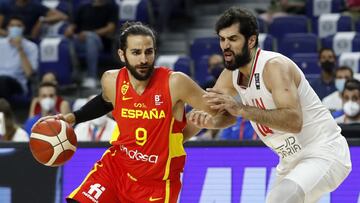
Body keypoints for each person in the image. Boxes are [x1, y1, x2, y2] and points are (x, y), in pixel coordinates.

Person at [36, 21, 231, 203]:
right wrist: (72, 117)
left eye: (149, 52)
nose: (144, 59)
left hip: (157, 184)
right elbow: (105, 101)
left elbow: (226, 116)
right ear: (122, 55)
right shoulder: (111, 80)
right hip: (117, 168)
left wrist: (210, 123)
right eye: (136, 52)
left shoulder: (175, 83)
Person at [188, 7, 351, 203]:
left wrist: (241, 109)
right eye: (222, 39)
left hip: (323, 151)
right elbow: (225, 115)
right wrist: (211, 122)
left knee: (280, 199)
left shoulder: (274, 66)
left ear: (251, 40)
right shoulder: (230, 74)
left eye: (232, 39)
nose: (225, 46)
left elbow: (294, 121)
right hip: (290, 161)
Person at [64, 0, 118, 88]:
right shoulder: (83, 7)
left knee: (91, 39)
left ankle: (91, 77)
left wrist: (90, 34)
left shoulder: (111, 7)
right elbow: (74, 25)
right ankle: (73, 75)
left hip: (101, 42)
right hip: (81, 40)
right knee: (66, 42)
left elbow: (110, 28)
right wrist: (69, 30)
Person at [0, 15, 38, 101]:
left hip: (17, 83)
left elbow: (29, 73)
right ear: (7, 28)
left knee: (3, 81)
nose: (15, 28)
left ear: (23, 28)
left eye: (18, 26)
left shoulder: (31, 47)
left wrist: (19, 48)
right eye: (12, 26)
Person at [0, 0, 68, 39]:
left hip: (29, 40)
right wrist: (11, 34)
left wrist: (42, 20)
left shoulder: (36, 6)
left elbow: (62, 16)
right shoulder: (5, 5)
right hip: (6, 39)